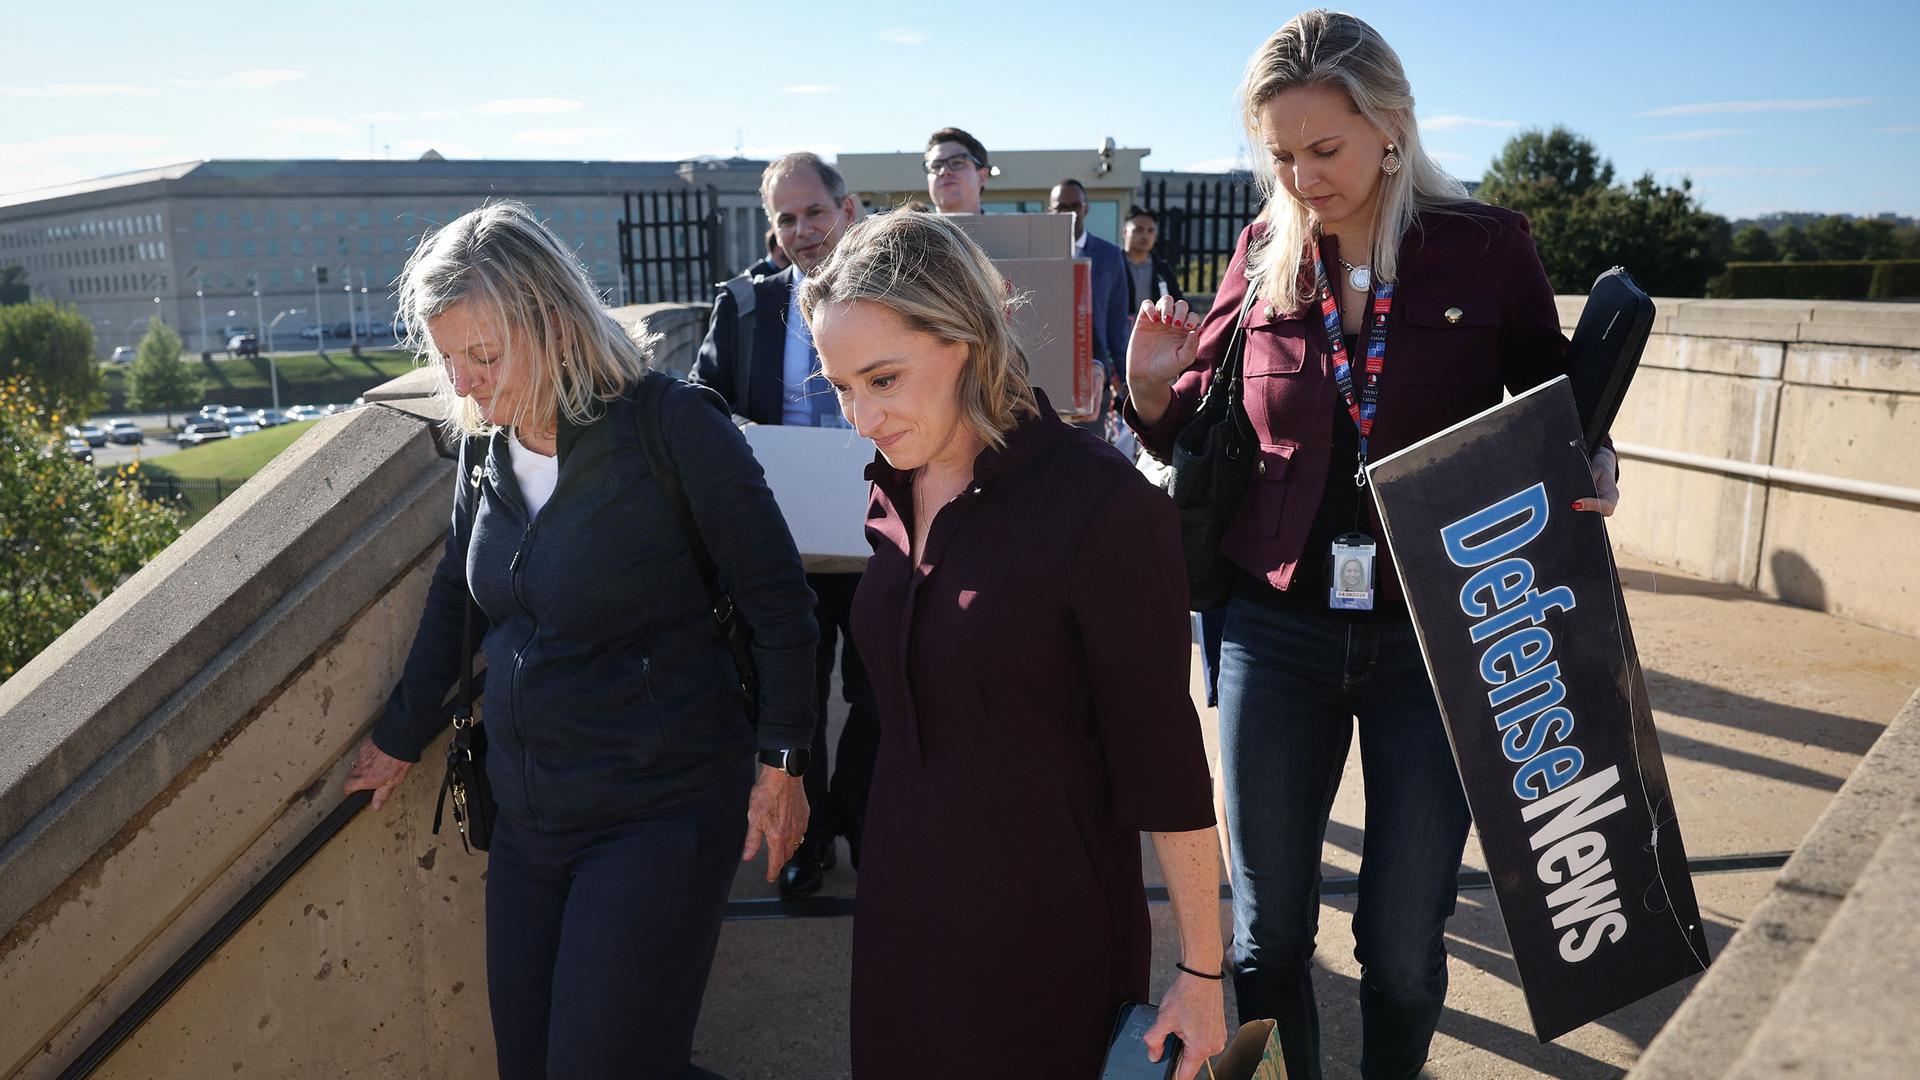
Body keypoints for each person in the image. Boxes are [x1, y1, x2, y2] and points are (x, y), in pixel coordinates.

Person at [1123, 12, 1620, 1080]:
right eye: (1281, 154)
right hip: (1272, 628)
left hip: (1437, 638)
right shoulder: (1261, 254)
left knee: (1400, 943)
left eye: (1324, 149)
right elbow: (1198, 425)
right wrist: (1152, 390)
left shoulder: (1486, 247)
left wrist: (1595, 462)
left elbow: (1559, 410)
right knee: (1265, 940)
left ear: (1389, 128)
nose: (1301, 178)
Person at [342, 200, 819, 1079]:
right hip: (530, 818)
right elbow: (461, 594)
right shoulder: (484, 450)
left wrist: (783, 763)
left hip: (661, 810)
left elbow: (779, 599)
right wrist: (399, 734)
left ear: (556, 321)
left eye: (484, 355)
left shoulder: (673, 425)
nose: (466, 382)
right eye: (449, 359)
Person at [802, 209, 1229, 1078]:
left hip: (1045, 926)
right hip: (901, 905)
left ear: (965, 338)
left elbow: (1167, 762)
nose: (861, 417)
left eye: (883, 378)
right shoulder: (887, 490)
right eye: (841, 386)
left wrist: (1201, 970)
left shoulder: (1101, 506)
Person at [693, 152, 882, 897]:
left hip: (874, 539)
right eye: (786, 218)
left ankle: (865, 827)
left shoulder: (892, 298)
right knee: (792, 698)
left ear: (847, 210)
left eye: (814, 212)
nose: (803, 230)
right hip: (780, 549)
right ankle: (807, 841)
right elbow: (701, 405)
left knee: (878, 698)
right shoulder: (744, 307)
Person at [1049, 178, 1132, 391]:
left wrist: (1125, 382)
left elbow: (1117, 322)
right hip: (1047, 368)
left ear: (1086, 208)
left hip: (1094, 370)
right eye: (1062, 207)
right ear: (1051, 210)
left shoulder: (1109, 255)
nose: (1070, 213)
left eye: (1075, 206)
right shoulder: (1039, 253)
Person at [1123, 205, 1186, 314]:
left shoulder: (1162, 269)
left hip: (1152, 329)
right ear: (1125, 232)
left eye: (1150, 231)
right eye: (1139, 230)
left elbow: (1177, 301)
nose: (1145, 236)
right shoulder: (1112, 265)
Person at [923, 126, 990, 215]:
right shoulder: (911, 229)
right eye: (936, 166)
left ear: (982, 176)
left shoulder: (1011, 228)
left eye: (957, 163)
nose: (944, 171)